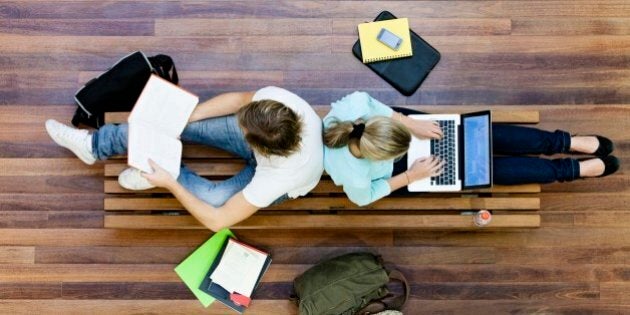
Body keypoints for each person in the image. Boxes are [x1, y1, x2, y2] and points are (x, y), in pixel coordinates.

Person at [45, 87, 324, 230]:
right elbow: (239, 99)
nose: (237, 124)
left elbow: (218, 220)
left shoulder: (277, 179)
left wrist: (171, 184)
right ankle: (93, 146)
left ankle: (162, 173)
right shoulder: (278, 104)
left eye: (243, 128)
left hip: (281, 180)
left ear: (256, 144)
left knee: (213, 199)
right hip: (273, 148)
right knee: (168, 122)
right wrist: (188, 118)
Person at [323, 91, 620, 206]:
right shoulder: (353, 176)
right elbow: (366, 197)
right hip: (404, 173)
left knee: (479, 137)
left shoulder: (354, 108)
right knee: (480, 169)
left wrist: (411, 125)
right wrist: (412, 176)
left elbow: (377, 107)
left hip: (406, 128)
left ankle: (564, 141)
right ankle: (567, 170)